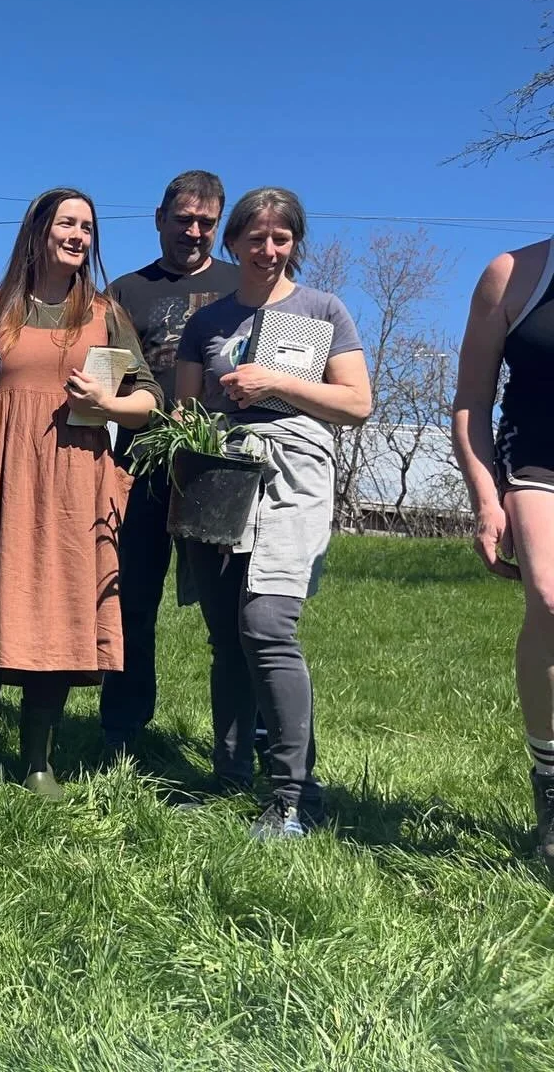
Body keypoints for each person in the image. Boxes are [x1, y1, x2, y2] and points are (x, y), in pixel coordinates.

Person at [0, 189, 160, 797]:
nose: (79, 235)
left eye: (88, 227)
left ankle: (39, 761)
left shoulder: (103, 313)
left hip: (76, 478)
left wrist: (111, 405)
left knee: (63, 612)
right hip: (1, 474)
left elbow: (150, 398)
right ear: (38, 231)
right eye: (67, 223)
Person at [175, 187, 370, 838]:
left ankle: (295, 796)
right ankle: (229, 778)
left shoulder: (322, 310)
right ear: (234, 244)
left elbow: (356, 402)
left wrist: (275, 382)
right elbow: (185, 411)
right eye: (255, 237)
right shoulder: (208, 322)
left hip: (293, 477)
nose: (267, 249)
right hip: (218, 475)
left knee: (265, 624)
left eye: (280, 237)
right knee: (227, 637)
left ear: (294, 244)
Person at [99, 170, 242, 754]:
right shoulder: (126, 293)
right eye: (183, 219)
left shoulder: (244, 285)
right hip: (142, 460)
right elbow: (106, 381)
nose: (193, 231)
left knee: (231, 607)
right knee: (130, 596)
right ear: (159, 219)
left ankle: (236, 742)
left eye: (206, 222)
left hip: (222, 465)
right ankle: (123, 728)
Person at [452, 235, 554, 872]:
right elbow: (471, 399)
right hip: (538, 454)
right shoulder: (514, 275)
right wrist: (487, 498)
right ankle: (552, 785)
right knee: (549, 598)